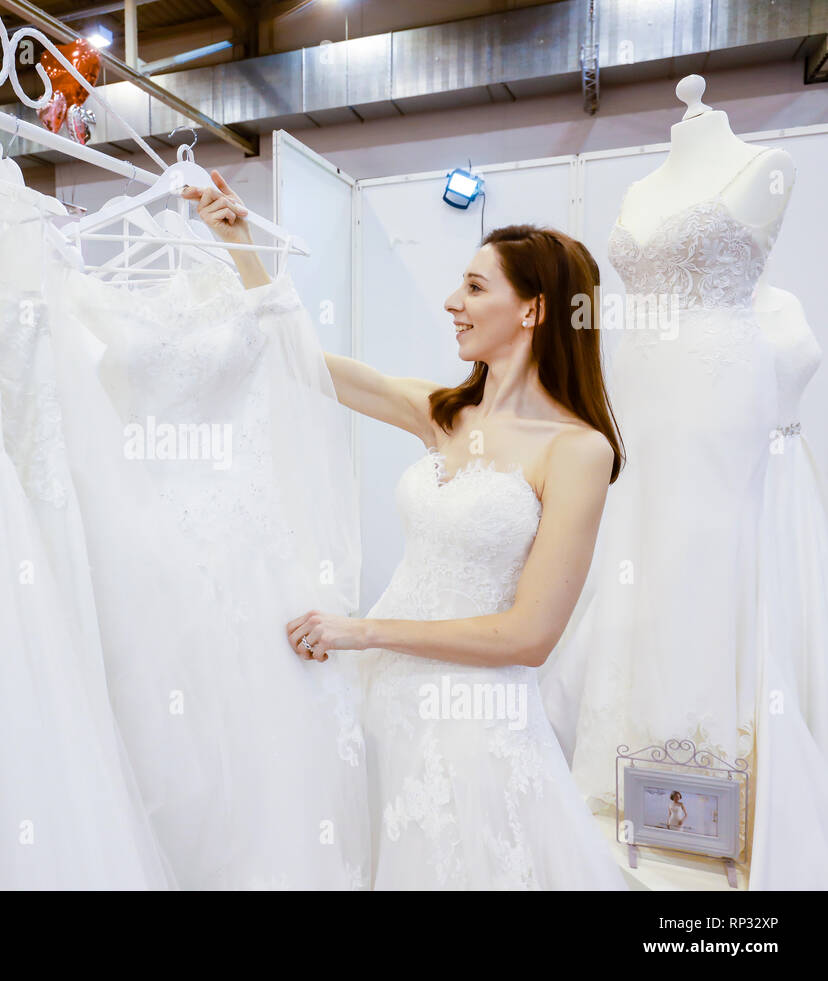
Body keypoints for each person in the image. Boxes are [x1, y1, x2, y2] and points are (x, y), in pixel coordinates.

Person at [182, 171, 628, 888]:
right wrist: (239, 244)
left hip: (473, 731)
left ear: (534, 310)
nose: (453, 302)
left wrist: (364, 631)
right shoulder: (445, 411)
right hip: (383, 703)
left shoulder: (576, 449)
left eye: (477, 287)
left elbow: (529, 635)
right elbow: (301, 363)